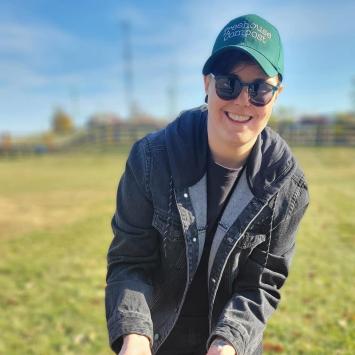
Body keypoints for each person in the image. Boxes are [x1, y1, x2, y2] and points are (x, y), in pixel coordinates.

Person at [105, 14, 309, 355]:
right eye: (228, 83)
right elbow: (130, 262)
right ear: (207, 84)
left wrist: (228, 342)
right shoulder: (150, 159)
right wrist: (135, 336)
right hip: (155, 340)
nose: (243, 99)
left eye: (259, 88)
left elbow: (262, 283)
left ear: (277, 94)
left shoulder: (287, 186)